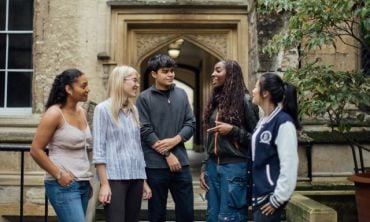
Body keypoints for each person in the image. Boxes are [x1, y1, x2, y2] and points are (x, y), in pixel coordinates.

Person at [136, 54, 196, 222]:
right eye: (165, 71)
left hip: (181, 164)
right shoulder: (144, 98)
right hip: (155, 166)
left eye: (171, 71)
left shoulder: (182, 94)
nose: (170, 74)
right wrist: (167, 154)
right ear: (154, 74)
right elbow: (145, 131)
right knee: (156, 214)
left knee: (186, 213)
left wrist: (176, 139)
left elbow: (191, 123)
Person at [199, 60, 259, 221]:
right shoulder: (215, 102)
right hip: (212, 167)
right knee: (212, 216)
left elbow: (257, 140)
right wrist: (205, 167)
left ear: (231, 74)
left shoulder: (246, 101)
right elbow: (210, 139)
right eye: (213, 70)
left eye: (218, 70)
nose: (213, 74)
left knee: (230, 217)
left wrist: (233, 130)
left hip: (234, 168)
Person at [30, 69, 92, 222]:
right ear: (68, 89)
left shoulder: (82, 112)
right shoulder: (54, 113)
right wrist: (59, 175)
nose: (88, 89)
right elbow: (36, 150)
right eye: (83, 86)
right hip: (63, 185)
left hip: (83, 183)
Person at [92, 65, 152, 222]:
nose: (137, 85)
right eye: (134, 80)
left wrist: (143, 181)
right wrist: (104, 184)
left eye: (137, 81)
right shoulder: (102, 109)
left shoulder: (134, 111)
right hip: (114, 178)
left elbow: (137, 148)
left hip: (136, 177)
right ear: (120, 81)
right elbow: (98, 150)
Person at [251, 72, 300, 222]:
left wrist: (278, 199)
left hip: (269, 199)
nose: (253, 90)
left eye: (256, 86)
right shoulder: (263, 121)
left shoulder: (283, 122)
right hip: (259, 197)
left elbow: (289, 164)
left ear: (265, 93)